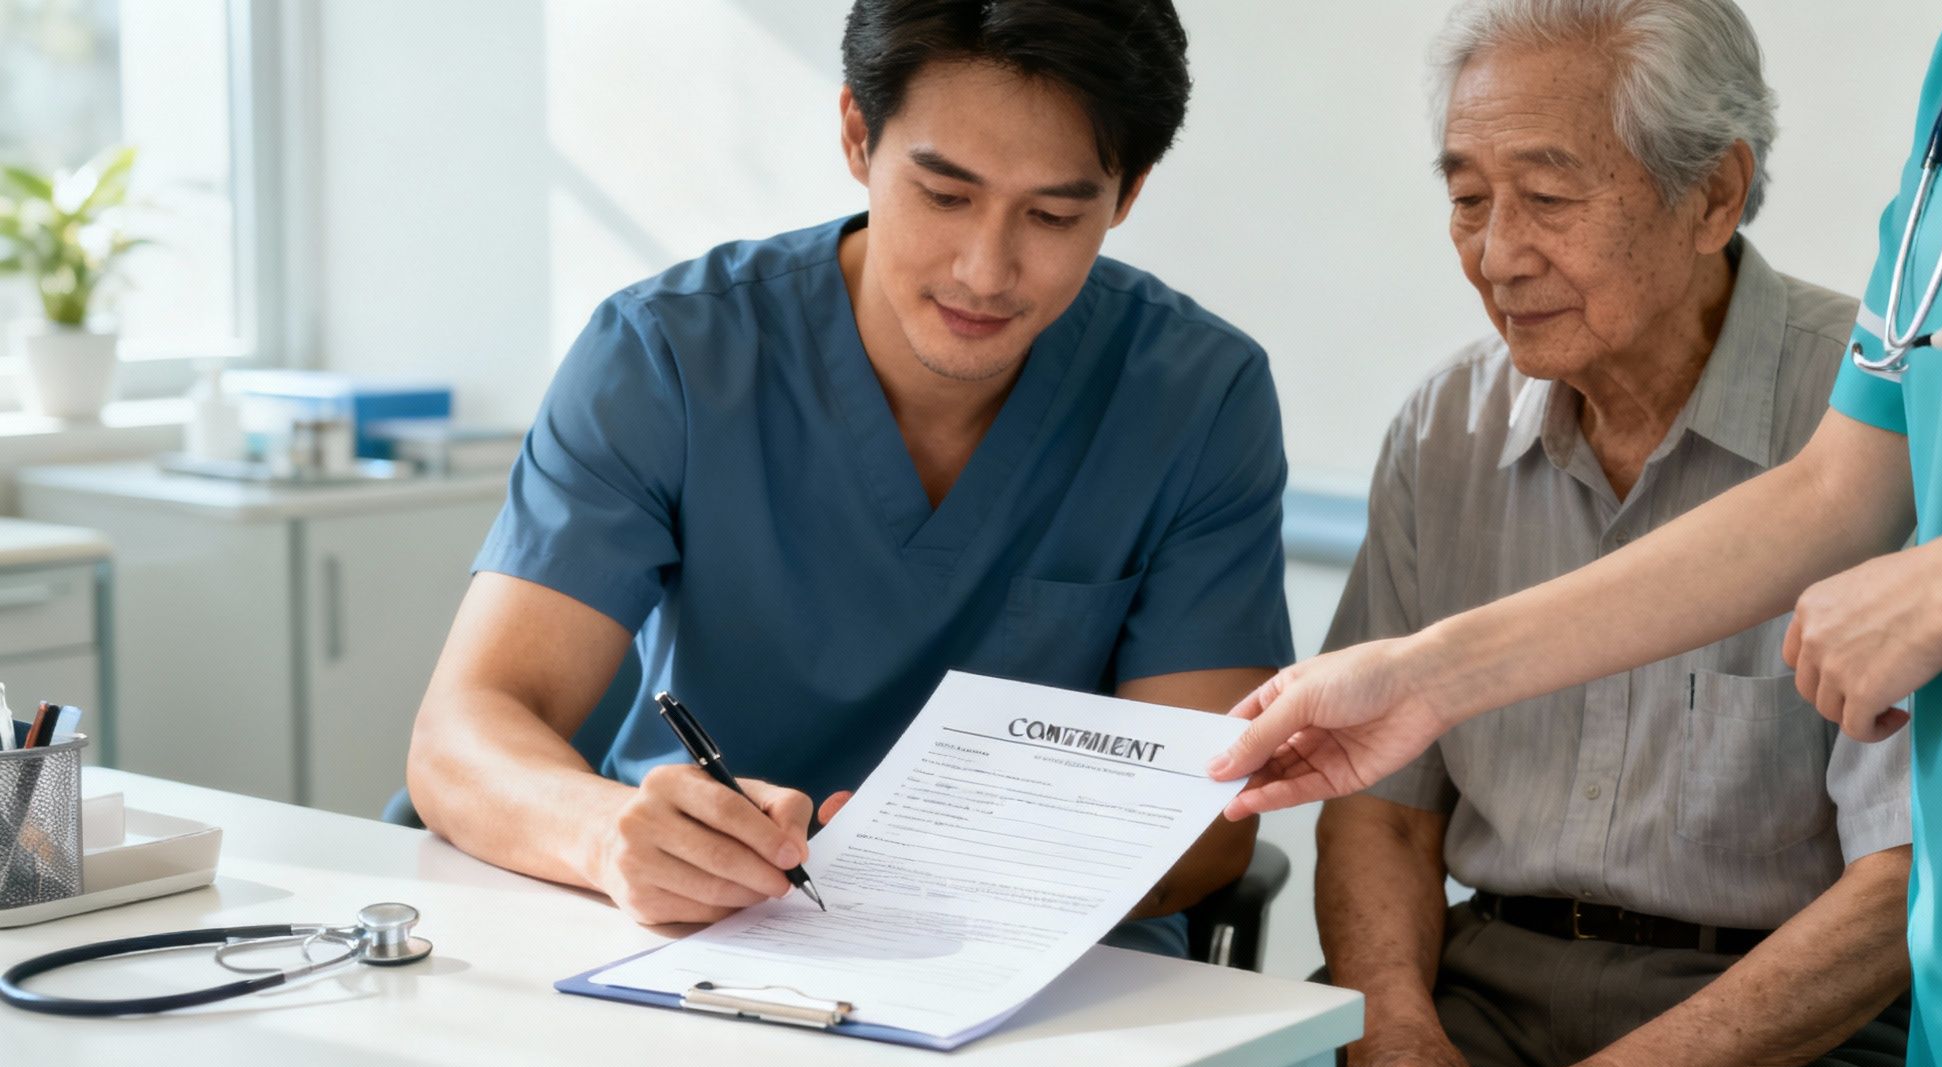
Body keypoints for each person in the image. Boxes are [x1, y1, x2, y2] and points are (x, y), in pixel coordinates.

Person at [1211, 0, 1942, 1067]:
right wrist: (1392, 1029)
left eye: (1547, 200)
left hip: (1781, 1024)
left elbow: (1890, 875)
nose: (1497, 254)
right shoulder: (1446, 427)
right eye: (1464, 200)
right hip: (1486, 975)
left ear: (1710, 195)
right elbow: (1382, 817)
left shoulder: (1854, 404)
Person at [410, 0, 1294, 959]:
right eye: (945, 195)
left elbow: (1207, 819)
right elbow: (463, 733)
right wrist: (603, 834)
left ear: (1126, 196)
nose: (984, 270)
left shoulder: (1196, 395)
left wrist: (937, 869)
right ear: (857, 135)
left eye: (1052, 215)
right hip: (703, 934)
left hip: (1032, 955)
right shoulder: (668, 355)